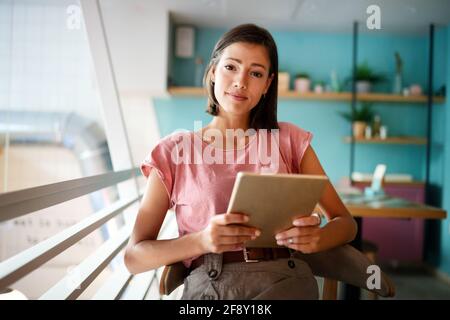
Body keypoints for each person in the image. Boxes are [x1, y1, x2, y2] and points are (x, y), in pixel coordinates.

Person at [124, 23, 357, 300]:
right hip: (211, 287)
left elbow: (346, 223)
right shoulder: (174, 150)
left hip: (286, 280)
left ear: (267, 85)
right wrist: (201, 240)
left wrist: (317, 238)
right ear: (212, 72)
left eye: (255, 73)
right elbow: (134, 257)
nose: (241, 81)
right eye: (231, 67)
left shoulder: (289, 139)